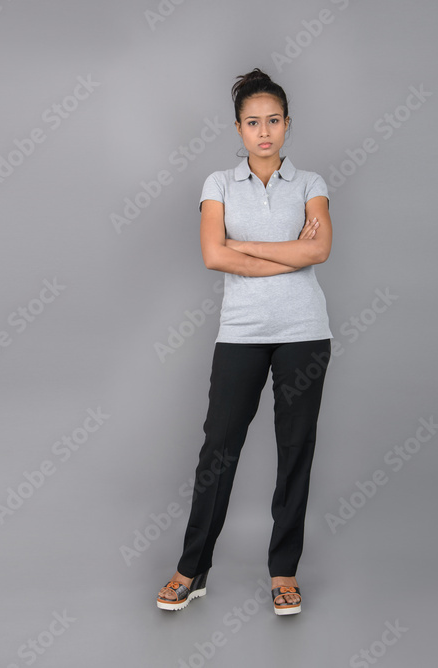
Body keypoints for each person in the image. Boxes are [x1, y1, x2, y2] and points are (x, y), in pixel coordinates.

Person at [156, 67, 333, 616]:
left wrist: (244, 246)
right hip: (241, 334)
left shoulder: (311, 184)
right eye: (253, 122)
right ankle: (193, 568)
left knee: (295, 449)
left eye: (273, 121)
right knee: (219, 449)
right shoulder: (218, 184)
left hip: (305, 332)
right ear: (238, 129)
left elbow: (319, 252)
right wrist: (285, 251)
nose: (264, 132)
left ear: (287, 125)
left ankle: (284, 571)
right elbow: (214, 256)